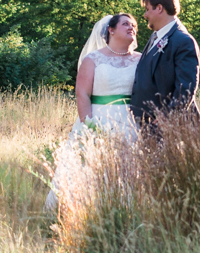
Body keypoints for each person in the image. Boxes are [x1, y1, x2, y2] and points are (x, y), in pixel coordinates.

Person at [44, 13, 141, 211]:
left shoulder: (142, 60)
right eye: (125, 24)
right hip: (99, 119)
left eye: (134, 25)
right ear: (111, 30)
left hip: (132, 122)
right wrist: (89, 126)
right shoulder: (93, 59)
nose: (132, 27)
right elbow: (82, 94)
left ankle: (129, 211)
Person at [130, 0, 200, 126]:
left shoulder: (183, 41)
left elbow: (186, 87)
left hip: (170, 127)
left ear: (159, 8)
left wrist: (168, 117)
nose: (145, 15)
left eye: (147, 9)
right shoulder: (155, 36)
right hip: (148, 125)